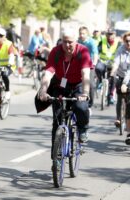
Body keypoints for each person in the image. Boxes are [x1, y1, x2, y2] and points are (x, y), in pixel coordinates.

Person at [37, 28, 92, 159]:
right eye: (65, 42)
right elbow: (48, 73)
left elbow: (86, 74)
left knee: (80, 106)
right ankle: (55, 159)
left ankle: (83, 129)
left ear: (76, 41)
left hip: (78, 84)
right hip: (61, 84)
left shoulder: (82, 51)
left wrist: (85, 92)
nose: (67, 45)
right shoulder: (56, 52)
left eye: (70, 42)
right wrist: (43, 90)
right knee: (57, 120)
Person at [109, 31, 130, 127]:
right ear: (124, 41)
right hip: (121, 76)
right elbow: (116, 62)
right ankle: (118, 118)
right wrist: (113, 72)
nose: (129, 43)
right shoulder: (120, 49)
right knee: (120, 98)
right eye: (127, 41)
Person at [95, 28, 119, 104]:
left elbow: (120, 53)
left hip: (113, 63)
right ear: (106, 35)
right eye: (108, 34)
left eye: (111, 34)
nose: (110, 36)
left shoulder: (118, 43)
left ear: (114, 35)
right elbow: (97, 51)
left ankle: (111, 95)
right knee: (98, 68)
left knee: (114, 78)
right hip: (103, 61)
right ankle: (100, 81)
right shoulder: (102, 41)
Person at [78, 26, 99, 108]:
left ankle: (90, 103)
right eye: (80, 33)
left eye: (83, 33)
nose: (81, 35)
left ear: (87, 34)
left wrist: (94, 64)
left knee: (90, 83)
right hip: (79, 64)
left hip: (89, 64)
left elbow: (95, 54)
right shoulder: (78, 41)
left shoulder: (91, 42)